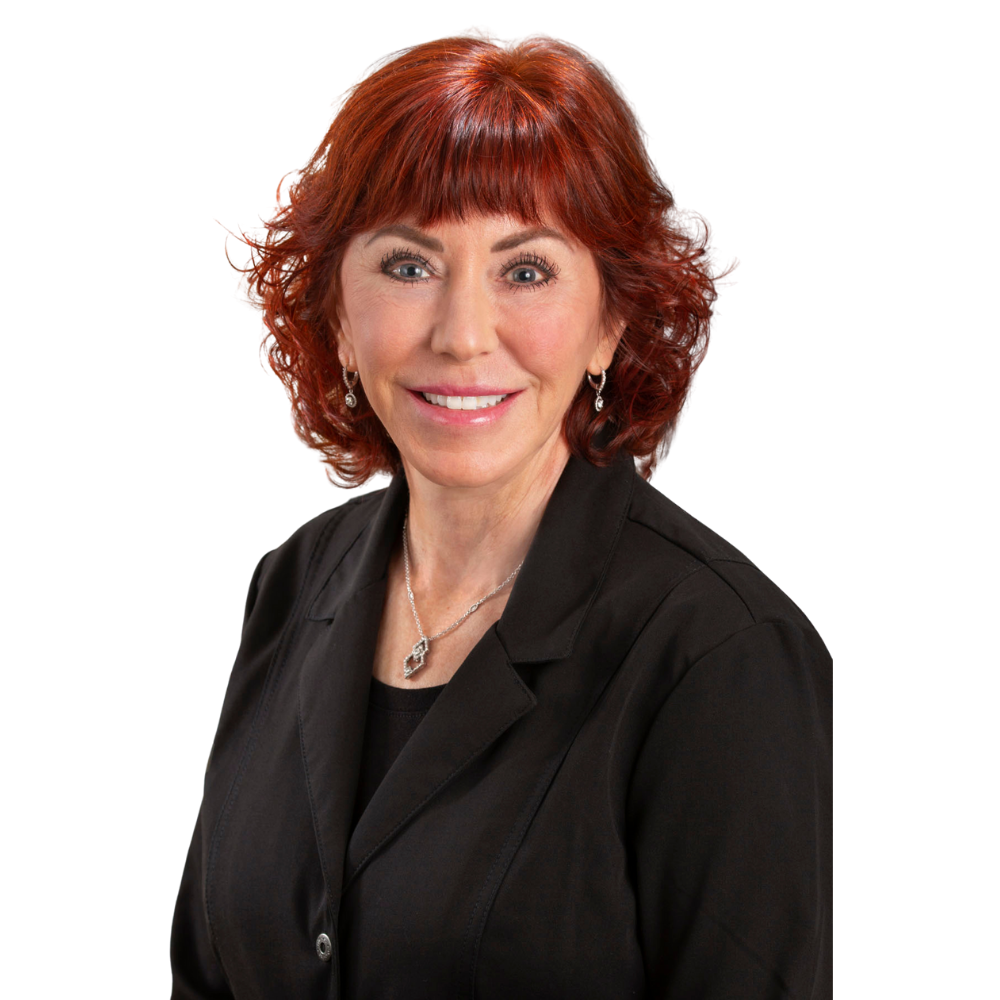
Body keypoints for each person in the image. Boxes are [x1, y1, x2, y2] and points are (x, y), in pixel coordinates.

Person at [170, 35, 832, 999]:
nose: (462, 333)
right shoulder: (292, 586)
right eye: (407, 265)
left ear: (612, 318)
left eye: (526, 271)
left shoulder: (722, 654)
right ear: (338, 316)